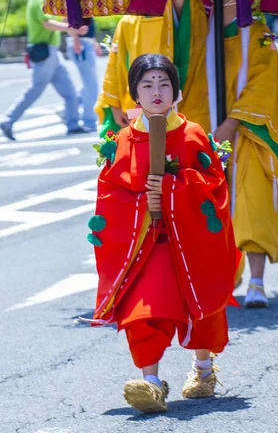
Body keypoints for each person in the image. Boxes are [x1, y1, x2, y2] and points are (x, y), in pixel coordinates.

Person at [85, 54, 239, 414]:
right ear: (134, 96)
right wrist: (141, 203)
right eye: (147, 85)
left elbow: (215, 186)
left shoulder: (193, 134)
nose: (157, 92)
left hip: (191, 241)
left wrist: (172, 190)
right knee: (144, 312)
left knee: (200, 306)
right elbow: (109, 193)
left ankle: (203, 368)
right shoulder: (122, 140)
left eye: (164, 83)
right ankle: (150, 383)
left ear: (177, 91)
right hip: (147, 246)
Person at [169, 0, 278, 308]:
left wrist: (232, 124)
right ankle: (219, 281)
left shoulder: (257, 33)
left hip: (246, 134)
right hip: (203, 136)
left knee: (251, 202)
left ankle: (257, 283)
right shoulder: (199, 27)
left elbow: (265, 87)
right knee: (206, 213)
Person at [0, 0, 88, 140]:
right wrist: (72, 28)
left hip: (51, 52)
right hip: (44, 52)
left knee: (69, 91)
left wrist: (71, 27)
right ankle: (8, 120)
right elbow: (47, 23)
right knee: (36, 89)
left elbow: (53, 21)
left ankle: (73, 124)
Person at [66, 18, 101, 132]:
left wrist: (93, 41)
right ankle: (89, 121)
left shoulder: (80, 0)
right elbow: (67, 18)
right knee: (91, 86)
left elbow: (88, 22)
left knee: (90, 84)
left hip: (86, 42)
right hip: (81, 43)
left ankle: (67, 110)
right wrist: (75, 38)